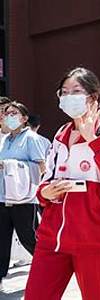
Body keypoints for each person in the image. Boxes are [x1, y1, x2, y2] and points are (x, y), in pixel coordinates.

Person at [24, 67, 100, 300]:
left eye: (76, 91)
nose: (68, 96)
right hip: (52, 238)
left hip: (93, 241)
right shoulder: (61, 135)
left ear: (92, 97)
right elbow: (46, 180)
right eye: (64, 92)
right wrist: (46, 192)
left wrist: (94, 140)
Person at [0, 101, 45, 292]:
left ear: (24, 118)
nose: (9, 116)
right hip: (3, 198)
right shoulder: (5, 140)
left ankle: (46, 270)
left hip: (24, 199)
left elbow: (42, 167)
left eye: (14, 113)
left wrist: (11, 165)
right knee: (1, 240)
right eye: (7, 113)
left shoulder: (31, 139)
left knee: (29, 238)